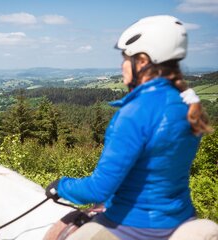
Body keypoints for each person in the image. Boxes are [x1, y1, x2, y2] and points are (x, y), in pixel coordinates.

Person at [45, 15, 213, 240]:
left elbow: (98, 189)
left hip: (133, 225)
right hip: (181, 217)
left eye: (125, 58)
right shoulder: (187, 105)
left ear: (142, 61)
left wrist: (61, 186)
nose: (121, 65)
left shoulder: (133, 113)